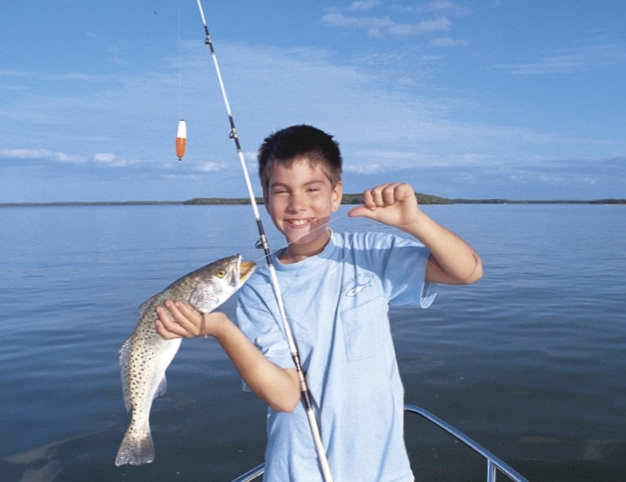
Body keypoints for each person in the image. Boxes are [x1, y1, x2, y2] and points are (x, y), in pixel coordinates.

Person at [156, 124, 482, 482]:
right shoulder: (257, 286)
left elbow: (467, 272)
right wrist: (220, 329)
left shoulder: (370, 255)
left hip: (385, 473)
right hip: (298, 472)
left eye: (313, 189)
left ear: (336, 195)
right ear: (265, 199)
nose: (297, 205)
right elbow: (283, 396)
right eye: (282, 191)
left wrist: (415, 222)